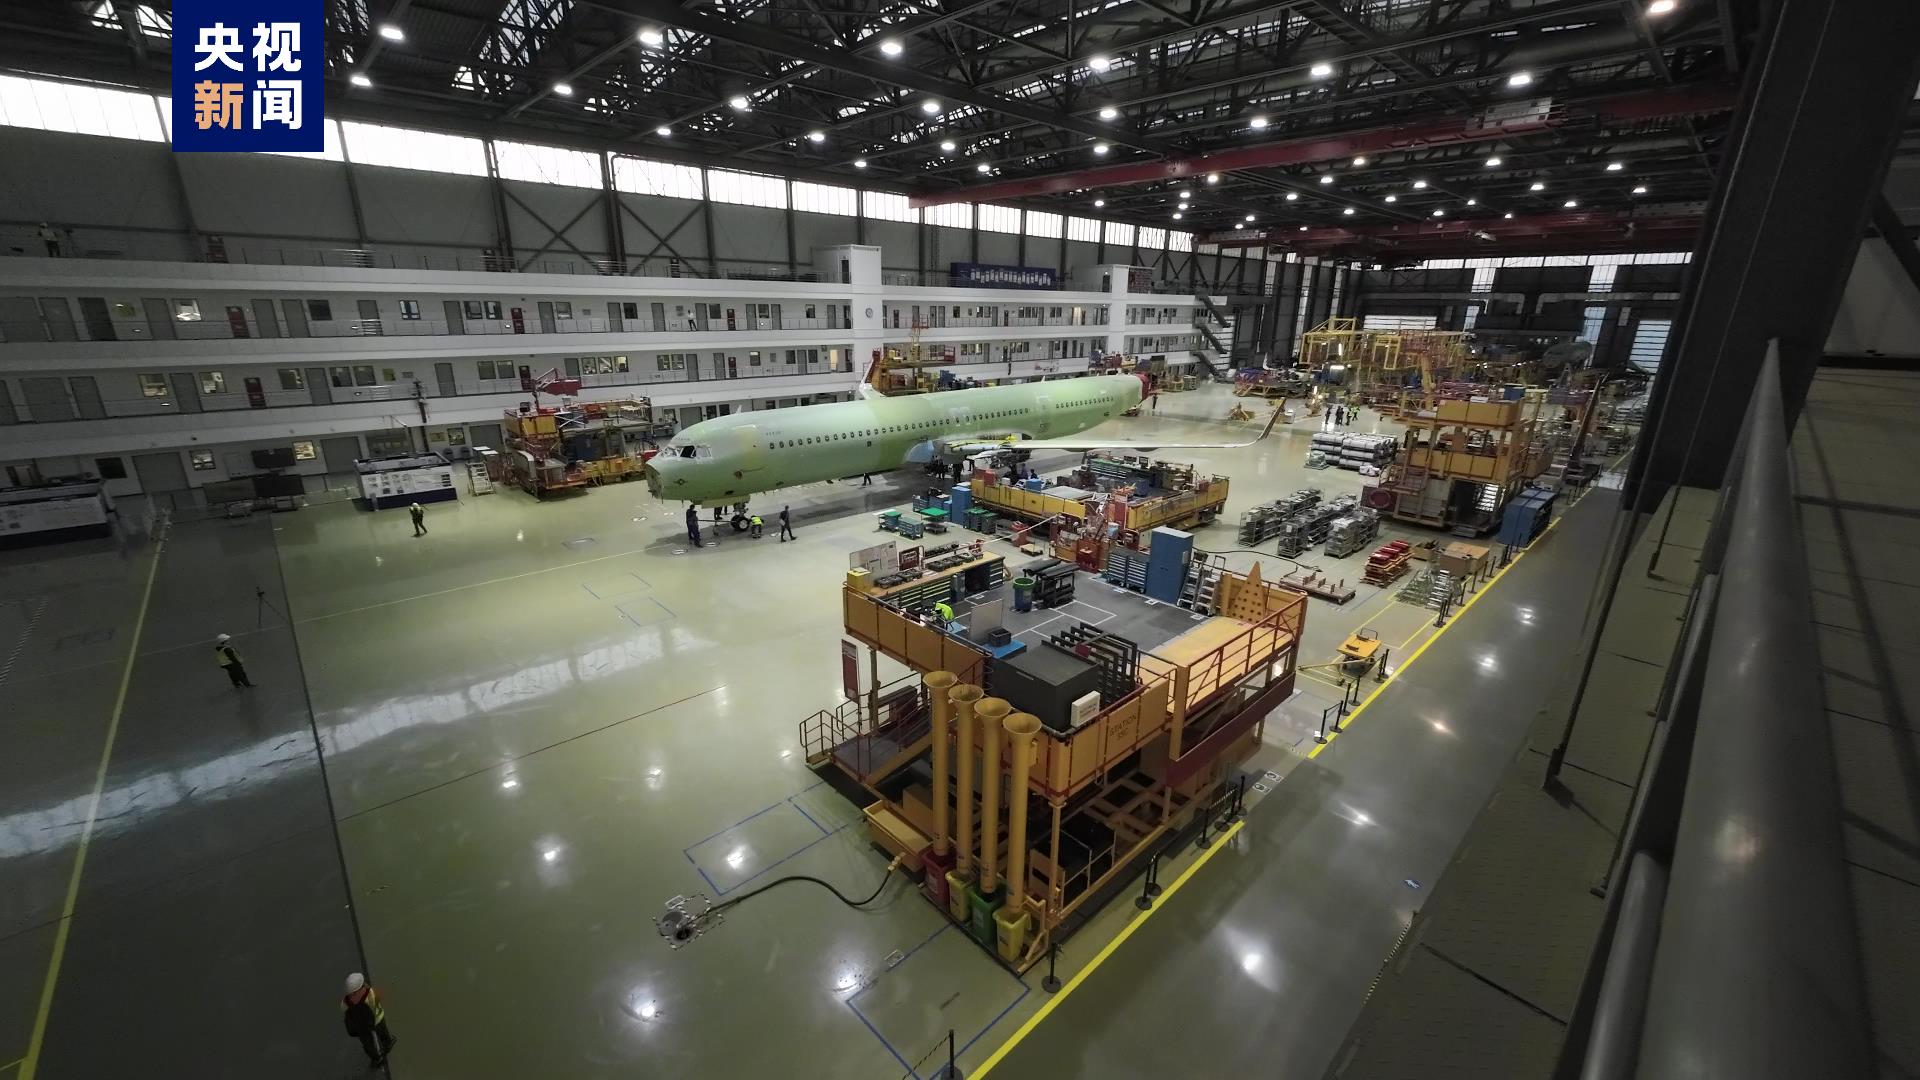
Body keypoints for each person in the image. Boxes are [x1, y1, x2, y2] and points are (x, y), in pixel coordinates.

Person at [340, 972, 396, 1067]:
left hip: (361, 1028)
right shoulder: (371, 994)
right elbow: (380, 998)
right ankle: (387, 1043)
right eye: (362, 985)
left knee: (368, 1043)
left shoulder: (345, 1003)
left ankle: (376, 1058)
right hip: (377, 1019)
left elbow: (344, 1010)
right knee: (382, 1032)